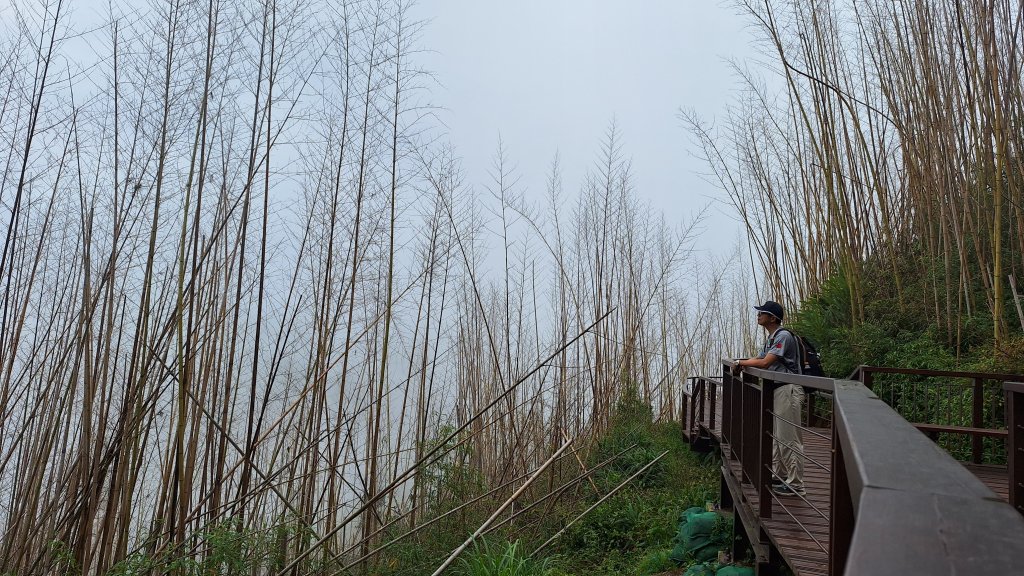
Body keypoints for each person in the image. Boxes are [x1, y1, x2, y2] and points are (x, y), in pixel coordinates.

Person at [734, 300, 805, 496]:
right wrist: (742, 362)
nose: (758, 315)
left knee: (789, 438)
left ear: (773, 318)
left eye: (762, 313)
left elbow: (764, 363)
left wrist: (740, 362)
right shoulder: (772, 338)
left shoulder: (782, 336)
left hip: (788, 390)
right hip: (778, 390)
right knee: (779, 436)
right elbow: (758, 360)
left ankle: (796, 484)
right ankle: (780, 475)